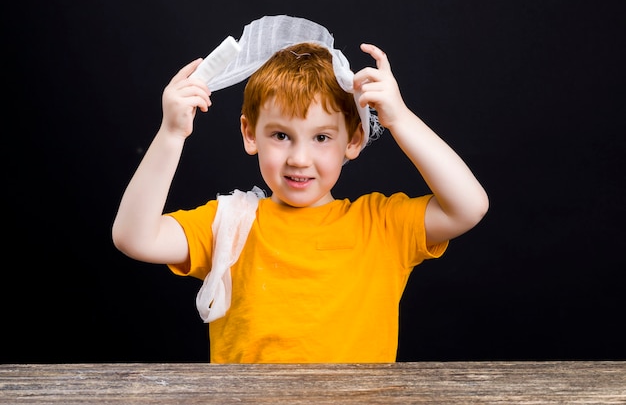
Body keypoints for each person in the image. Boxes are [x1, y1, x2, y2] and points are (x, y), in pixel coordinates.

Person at [112, 30, 489, 363]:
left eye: (321, 137)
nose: (298, 158)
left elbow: (469, 207)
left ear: (354, 139)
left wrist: (400, 118)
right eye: (280, 135)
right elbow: (134, 238)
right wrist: (171, 134)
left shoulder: (382, 224)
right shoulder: (228, 223)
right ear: (250, 133)